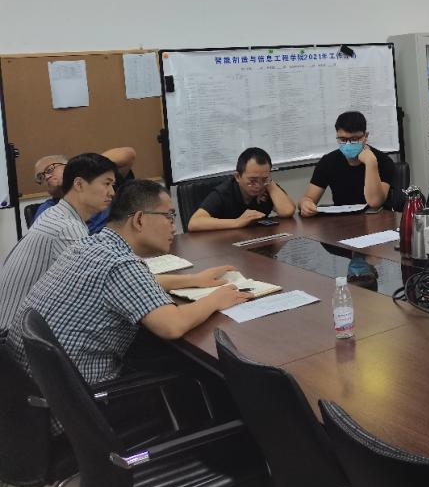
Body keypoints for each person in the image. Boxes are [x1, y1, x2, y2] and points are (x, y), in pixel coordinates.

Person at [5, 180, 249, 385]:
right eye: (169, 217)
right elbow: (171, 325)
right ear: (139, 219)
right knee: (203, 376)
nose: (174, 227)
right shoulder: (120, 264)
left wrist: (194, 280)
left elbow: (130, 284)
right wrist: (216, 299)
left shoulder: (91, 245)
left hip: (42, 389)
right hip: (91, 397)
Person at [0, 152, 118, 330]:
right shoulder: (67, 227)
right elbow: (101, 286)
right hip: (20, 334)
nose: (112, 193)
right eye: (107, 184)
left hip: (22, 325)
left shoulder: (55, 213)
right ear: (79, 184)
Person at [300, 111, 395, 215]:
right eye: (343, 139)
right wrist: (305, 203)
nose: (348, 144)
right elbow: (308, 198)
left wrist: (370, 163)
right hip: (341, 220)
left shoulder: (383, 161)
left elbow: (375, 203)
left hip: (377, 219)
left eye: (354, 139)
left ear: (365, 136)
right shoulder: (328, 161)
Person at [31, 146, 136, 234]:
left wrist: (86, 166)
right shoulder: (48, 210)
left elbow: (128, 154)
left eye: (50, 169)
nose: (47, 177)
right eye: (41, 177)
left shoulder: (101, 183)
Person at [187, 147, 296, 231]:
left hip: (255, 240)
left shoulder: (267, 186)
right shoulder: (225, 192)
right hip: (224, 245)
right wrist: (237, 222)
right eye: (252, 180)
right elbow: (194, 223)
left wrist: (269, 184)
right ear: (238, 176)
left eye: (264, 179)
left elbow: (287, 211)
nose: (258, 186)